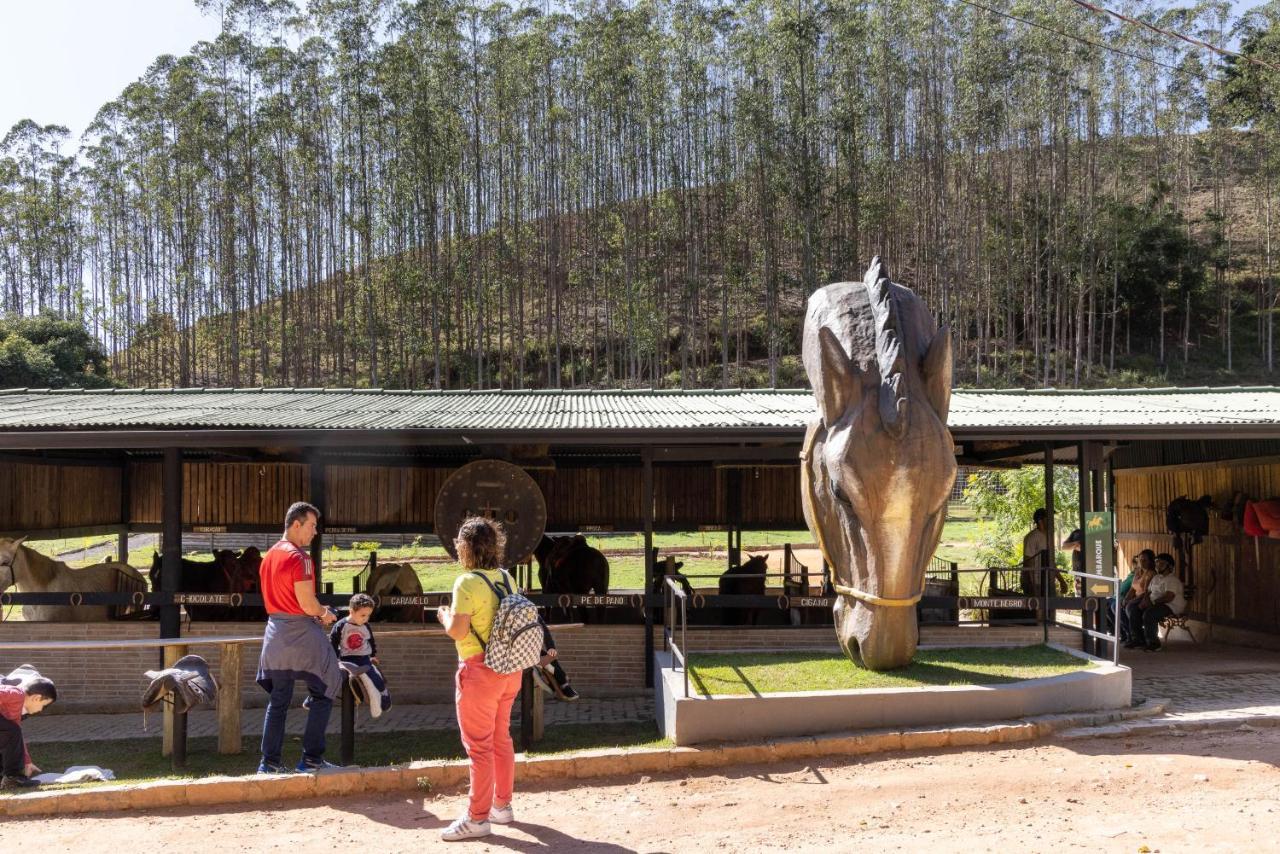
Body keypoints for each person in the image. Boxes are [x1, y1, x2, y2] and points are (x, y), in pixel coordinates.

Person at [435, 516, 523, 842]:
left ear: (464, 547)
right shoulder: (507, 578)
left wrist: (444, 616)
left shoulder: (467, 582)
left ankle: (477, 818)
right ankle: (502, 806)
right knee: (501, 739)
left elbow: (458, 631)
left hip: (479, 672)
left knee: (479, 748)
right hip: (510, 671)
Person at [256, 501, 342, 774]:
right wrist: (325, 613)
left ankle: (268, 765)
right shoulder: (300, 558)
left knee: (279, 699)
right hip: (301, 631)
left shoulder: (269, 555)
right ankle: (312, 759)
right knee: (327, 685)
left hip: (274, 634)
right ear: (296, 524)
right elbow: (307, 604)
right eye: (313, 525)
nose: (315, 532)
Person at [330, 593, 392, 717]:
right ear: (351, 611)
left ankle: (384, 695)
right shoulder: (341, 625)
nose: (365, 619)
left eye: (368, 615)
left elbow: (371, 641)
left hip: (363, 658)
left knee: (375, 678)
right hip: (346, 659)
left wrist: (373, 655)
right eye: (363, 615)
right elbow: (333, 641)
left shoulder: (365, 626)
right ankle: (314, 699)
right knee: (337, 679)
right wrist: (334, 658)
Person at [0, 676, 56, 789]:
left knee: (11, 734)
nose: (40, 710)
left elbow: (16, 740)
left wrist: (27, 761)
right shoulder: (16, 694)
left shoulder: (15, 714)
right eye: (44, 706)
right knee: (12, 730)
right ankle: (13, 778)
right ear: (36, 698)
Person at [1125, 552, 1185, 652]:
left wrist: (1152, 602)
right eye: (1157, 563)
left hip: (1170, 605)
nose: (1158, 565)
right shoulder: (1157, 578)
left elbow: (1168, 597)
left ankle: (1154, 643)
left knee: (1149, 614)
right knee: (1134, 609)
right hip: (1154, 602)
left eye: (1161, 563)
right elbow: (1148, 592)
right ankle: (1138, 639)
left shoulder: (1172, 580)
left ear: (1169, 566)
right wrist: (1144, 601)